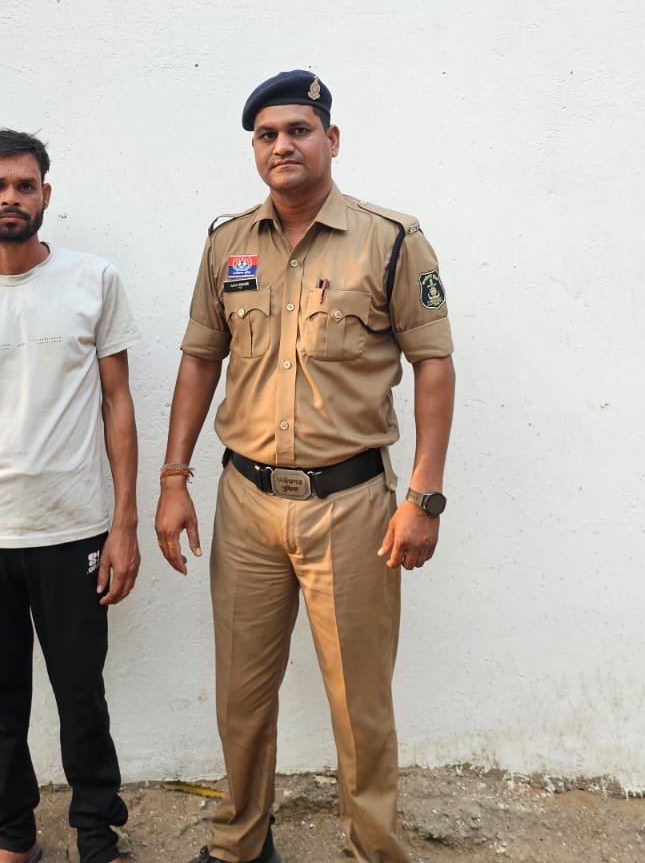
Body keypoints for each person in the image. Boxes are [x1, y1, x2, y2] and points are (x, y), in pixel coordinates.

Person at [154, 73, 456, 863]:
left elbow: (434, 363)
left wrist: (423, 495)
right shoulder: (227, 244)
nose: (281, 145)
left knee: (359, 705)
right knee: (241, 697)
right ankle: (240, 844)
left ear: (332, 139)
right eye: (266, 135)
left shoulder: (391, 240)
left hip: (350, 506)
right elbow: (199, 359)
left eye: (298, 129)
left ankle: (372, 851)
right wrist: (173, 479)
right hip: (246, 502)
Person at [0, 129, 139, 863]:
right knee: (0, 699)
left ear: (45, 195)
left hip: (73, 530)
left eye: (25, 185)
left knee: (82, 697)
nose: (11, 197)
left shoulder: (93, 281)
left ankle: (97, 833)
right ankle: (15, 835)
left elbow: (118, 403)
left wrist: (124, 524)